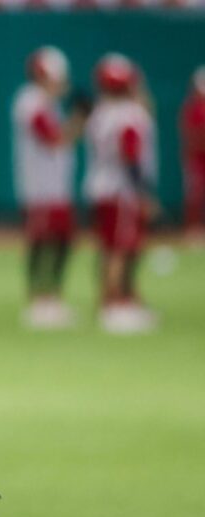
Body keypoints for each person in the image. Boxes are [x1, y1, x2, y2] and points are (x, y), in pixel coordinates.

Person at [83, 53, 159, 333]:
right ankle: (114, 305)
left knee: (110, 248)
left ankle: (118, 300)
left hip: (99, 188)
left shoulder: (99, 113)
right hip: (122, 190)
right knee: (122, 249)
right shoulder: (130, 114)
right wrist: (143, 193)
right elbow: (131, 156)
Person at [11, 46, 86, 328]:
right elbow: (52, 138)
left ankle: (52, 296)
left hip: (57, 186)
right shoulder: (30, 101)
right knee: (41, 242)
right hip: (39, 187)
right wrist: (79, 120)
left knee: (63, 241)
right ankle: (36, 298)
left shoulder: (48, 103)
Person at [179, 66, 205, 246]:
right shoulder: (192, 108)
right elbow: (191, 136)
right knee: (195, 195)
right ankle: (194, 230)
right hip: (196, 160)